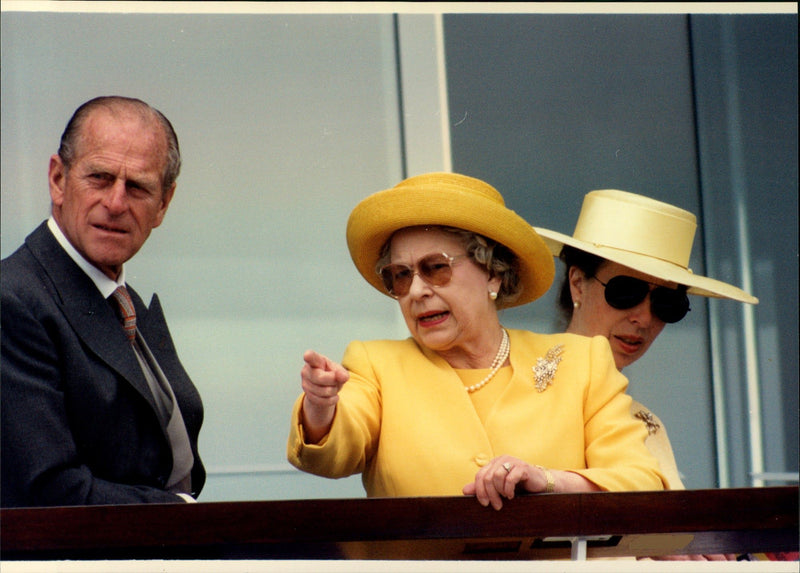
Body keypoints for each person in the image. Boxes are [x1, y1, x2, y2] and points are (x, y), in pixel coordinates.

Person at [287, 172, 665, 510]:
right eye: (400, 276)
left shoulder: (582, 362)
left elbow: (642, 482)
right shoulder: (376, 365)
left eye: (436, 268)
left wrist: (548, 481)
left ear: (493, 274)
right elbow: (332, 455)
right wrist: (321, 407)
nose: (416, 290)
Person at [1, 96, 205, 507]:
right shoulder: (14, 300)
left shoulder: (121, 301)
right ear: (58, 179)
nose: (115, 203)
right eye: (99, 177)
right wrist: (185, 517)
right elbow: (50, 490)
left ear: (164, 204)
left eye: (137, 187)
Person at [533, 189, 758, 491]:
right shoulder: (513, 385)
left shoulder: (645, 424)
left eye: (667, 303)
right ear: (578, 284)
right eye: (625, 292)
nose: (645, 318)